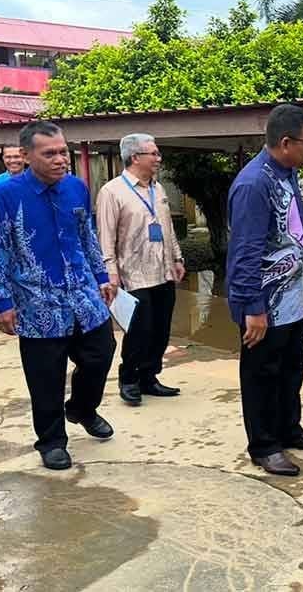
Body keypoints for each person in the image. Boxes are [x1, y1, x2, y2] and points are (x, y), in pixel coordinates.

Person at [0, 121, 117, 471]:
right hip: (36, 302)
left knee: (102, 353)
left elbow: (87, 236)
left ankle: (82, 408)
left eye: (63, 152)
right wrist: (1, 302)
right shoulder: (5, 195)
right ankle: (52, 440)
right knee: (45, 378)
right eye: (49, 153)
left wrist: (101, 275)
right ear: (25, 156)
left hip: (81, 295)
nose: (60, 160)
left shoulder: (76, 188)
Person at [226, 104, 303, 476]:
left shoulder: (286, 174)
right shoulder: (254, 184)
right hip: (265, 305)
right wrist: (253, 308)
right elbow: (245, 252)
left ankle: (289, 429)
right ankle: (264, 445)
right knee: (261, 374)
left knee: (291, 368)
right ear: (285, 142)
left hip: (292, 300)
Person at [96, 133, 185, 406]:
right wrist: (111, 273)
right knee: (139, 331)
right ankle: (129, 379)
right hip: (133, 275)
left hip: (162, 271)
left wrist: (177, 258)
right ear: (135, 157)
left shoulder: (158, 189)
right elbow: (105, 237)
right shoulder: (112, 192)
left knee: (161, 329)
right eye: (153, 153)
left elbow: (167, 229)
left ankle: (150, 377)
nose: (158, 158)